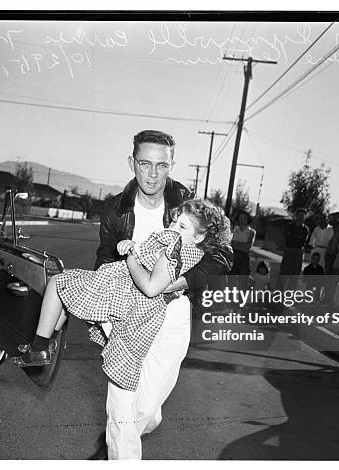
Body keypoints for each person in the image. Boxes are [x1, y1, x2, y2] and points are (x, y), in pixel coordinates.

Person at [90, 130, 232, 459]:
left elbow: (223, 254)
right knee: (123, 411)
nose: (152, 174)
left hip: (172, 313)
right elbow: (104, 258)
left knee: (147, 408)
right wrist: (100, 311)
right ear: (132, 163)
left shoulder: (184, 202)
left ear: (171, 166)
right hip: (126, 314)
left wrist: (183, 282)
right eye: (144, 164)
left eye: (161, 165)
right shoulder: (115, 210)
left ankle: (128, 431)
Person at [12, 199, 230, 380]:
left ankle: (40, 346)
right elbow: (151, 262)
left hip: (124, 294)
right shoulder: (190, 251)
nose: (173, 229)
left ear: (199, 237)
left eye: (181, 227)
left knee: (57, 283)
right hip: (127, 290)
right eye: (174, 222)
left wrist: (131, 257)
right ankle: (44, 344)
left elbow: (151, 286)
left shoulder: (174, 251)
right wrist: (133, 246)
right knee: (65, 291)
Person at [279, 208, 309, 290]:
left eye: (303, 216)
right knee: (285, 272)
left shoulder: (305, 229)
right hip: (289, 250)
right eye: (300, 215)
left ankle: (290, 292)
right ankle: (280, 291)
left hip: (299, 251)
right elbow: (285, 238)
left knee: (295, 273)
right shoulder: (289, 226)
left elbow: (304, 241)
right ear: (296, 216)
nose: (301, 217)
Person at [229, 210, 256, 275]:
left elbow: (248, 247)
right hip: (232, 257)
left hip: (244, 259)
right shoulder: (233, 230)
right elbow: (229, 243)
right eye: (240, 218)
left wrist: (235, 244)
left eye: (244, 218)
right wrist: (242, 245)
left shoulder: (251, 232)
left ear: (248, 219)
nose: (242, 220)